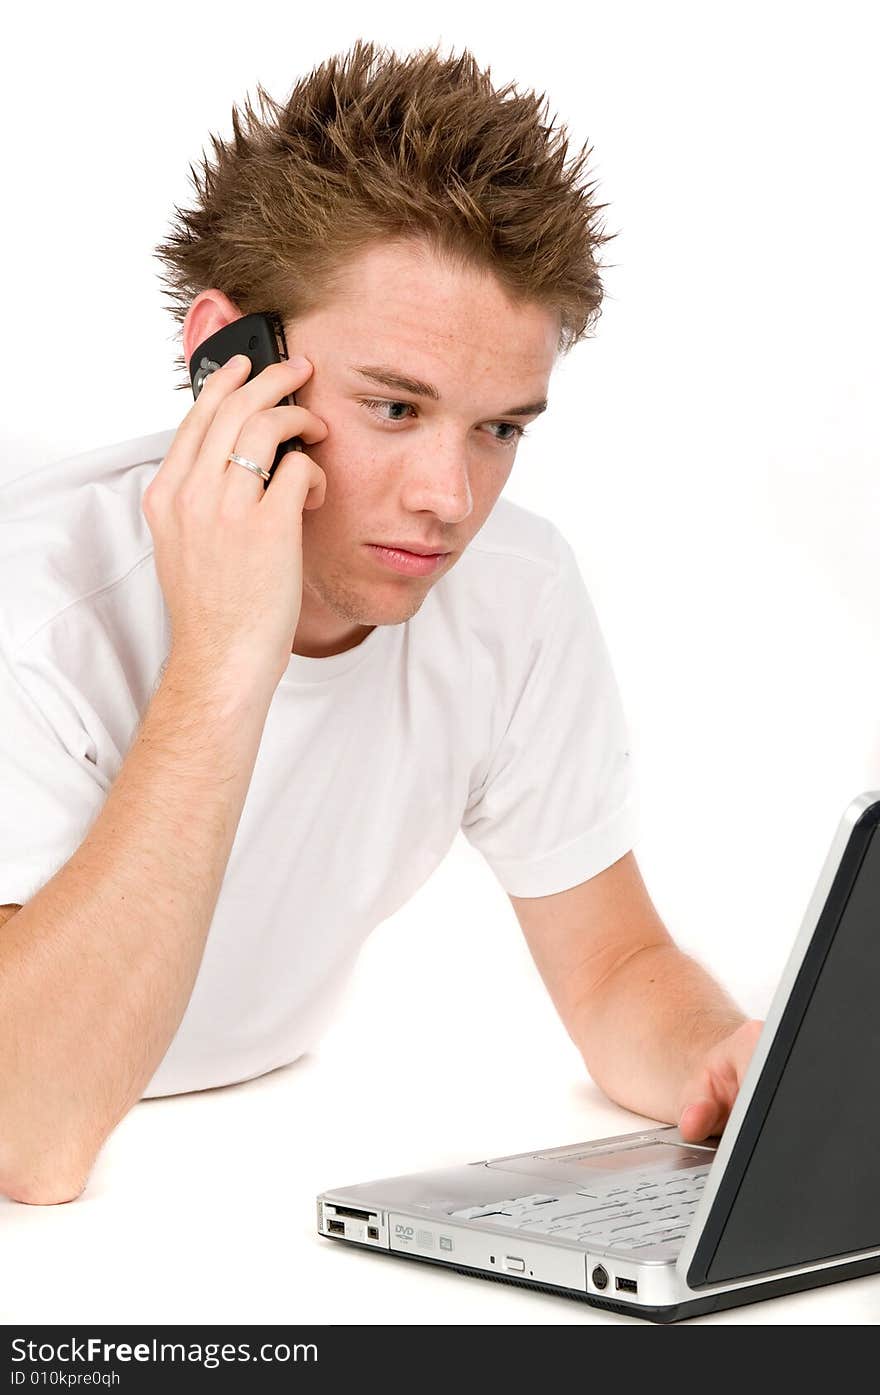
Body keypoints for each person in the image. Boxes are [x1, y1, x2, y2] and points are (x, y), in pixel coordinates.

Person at [0, 40, 761, 1206]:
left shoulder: (514, 594)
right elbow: (29, 1128)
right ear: (226, 357)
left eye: (498, 428)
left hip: (261, 1162)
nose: (447, 500)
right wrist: (221, 656)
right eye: (393, 406)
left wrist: (724, 1059)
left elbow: (614, 966)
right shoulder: (39, 611)